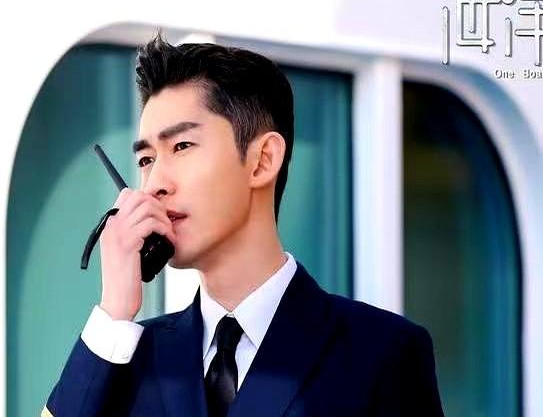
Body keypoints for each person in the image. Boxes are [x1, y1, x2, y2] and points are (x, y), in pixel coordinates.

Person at [43, 33, 444, 417]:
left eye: (181, 146)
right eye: (147, 160)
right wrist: (114, 310)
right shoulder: (123, 357)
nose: (155, 184)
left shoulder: (380, 353)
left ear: (263, 160)